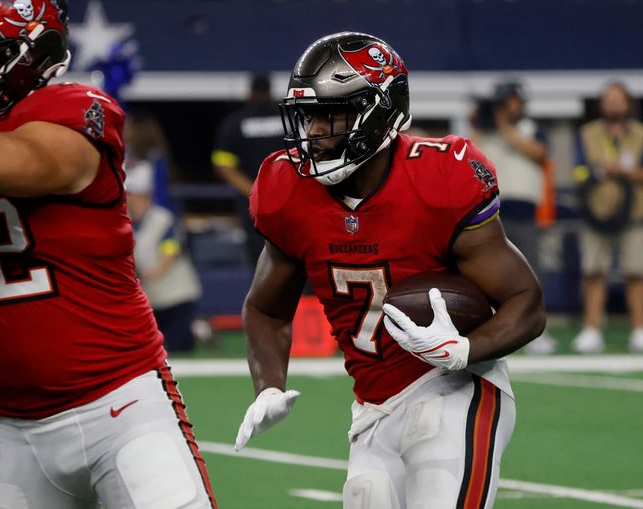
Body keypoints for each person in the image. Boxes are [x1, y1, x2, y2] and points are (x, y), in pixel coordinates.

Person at [234, 32, 545, 508]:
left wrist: (464, 349)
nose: (314, 131)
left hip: (456, 387)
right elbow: (265, 309)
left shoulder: (441, 178)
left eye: (330, 114)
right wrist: (268, 386)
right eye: (308, 114)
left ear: (378, 112)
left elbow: (527, 302)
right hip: (373, 405)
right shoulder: (287, 188)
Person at [0, 0, 215, 507]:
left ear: (27, 60)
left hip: (118, 406)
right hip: (5, 425)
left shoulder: (72, 112)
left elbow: (15, 163)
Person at [572, 81, 643, 353]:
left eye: (618, 99)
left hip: (633, 214)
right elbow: (578, 173)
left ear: (627, 103)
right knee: (594, 272)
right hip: (596, 213)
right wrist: (598, 172)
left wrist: (624, 171)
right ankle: (591, 329)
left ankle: (640, 329)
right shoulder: (587, 134)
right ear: (601, 104)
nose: (613, 104)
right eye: (608, 99)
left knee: (636, 272)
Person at [471, 80, 557, 354]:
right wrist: (478, 122)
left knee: (531, 272)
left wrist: (504, 127)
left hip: (525, 210)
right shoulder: (486, 132)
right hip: (491, 210)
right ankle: (493, 331)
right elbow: (468, 154)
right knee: (489, 274)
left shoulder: (531, 129)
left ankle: (537, 332)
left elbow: (538, 153)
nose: (508, 107)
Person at [127, 162, 203, 353]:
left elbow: (171, 250)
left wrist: (152, 272)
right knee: (150, 348)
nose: (131, 201)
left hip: (175, 295)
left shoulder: (162, 218)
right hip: (149, 298)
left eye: (134, 197)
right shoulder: (125, 222)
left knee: (179, 346)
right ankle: (200, 326)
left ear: (146, 197)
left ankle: (200, 327)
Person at [212, 73, 283, 264]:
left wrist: (255, 191)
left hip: (255, 205)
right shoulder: (288, 120)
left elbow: (223, 165)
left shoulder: (235, 124)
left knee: (261, 261)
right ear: (270, 93)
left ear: (251, 93)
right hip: (286, 200)